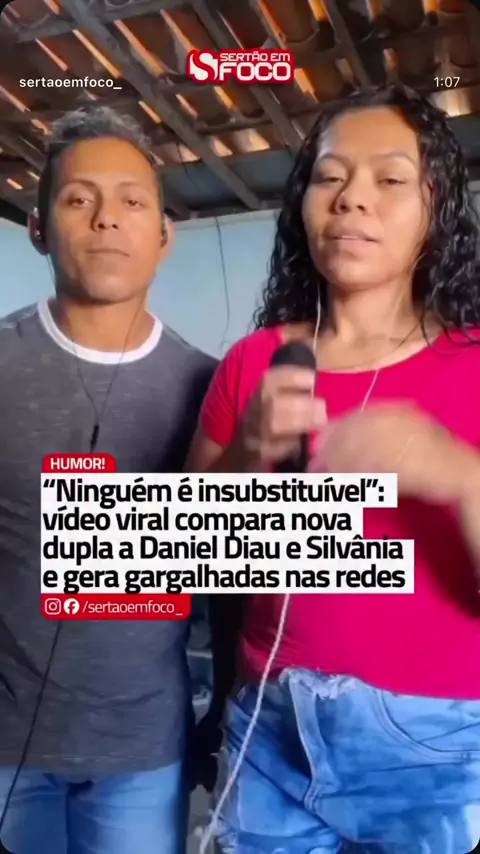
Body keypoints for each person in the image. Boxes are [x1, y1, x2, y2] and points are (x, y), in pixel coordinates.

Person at [187, 84, 480, 853]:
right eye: (329, 177)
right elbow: (184, 555)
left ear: (438, 207)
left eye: (389, 178)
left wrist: (459, 475)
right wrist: (248, 453)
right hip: (267, 727)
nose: (352, 198)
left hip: (442, 747)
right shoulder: (253, 362)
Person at [0, 106, 217, 854]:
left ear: (163, 236)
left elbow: (230, 577)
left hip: (145, 752)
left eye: (132, 200)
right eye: (78, 198)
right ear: (38, 228)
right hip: (8, 747)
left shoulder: (210, 387)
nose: (107, 219)